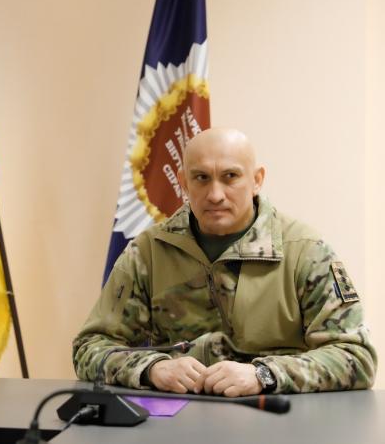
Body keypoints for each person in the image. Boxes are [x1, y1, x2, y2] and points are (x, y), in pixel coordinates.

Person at [73, 128, 377, 396]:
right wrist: (151, 368)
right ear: (183, 182)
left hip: (278, 418)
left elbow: (356, 356)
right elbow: (90, 347)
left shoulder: (303, 250)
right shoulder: (149, 252)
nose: (215, 194)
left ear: (256, 180)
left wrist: (265, 375)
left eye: (230, 176)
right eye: (201, 178)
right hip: (178, 421)